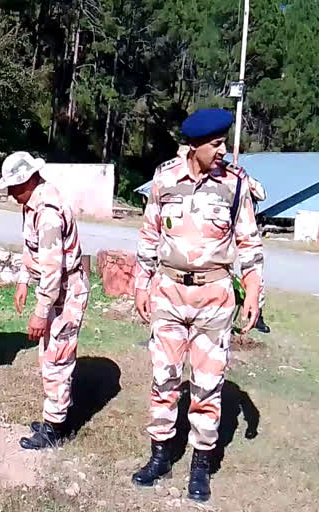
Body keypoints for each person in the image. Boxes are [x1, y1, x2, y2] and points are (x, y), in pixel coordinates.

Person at [132, 108, 264, 502]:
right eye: (216, 144)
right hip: (168, 293)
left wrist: (253, 292)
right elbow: (149, 234)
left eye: (224, 142)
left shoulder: (234, 184)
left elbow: (250, 243)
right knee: (164, 377)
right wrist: (141, 284)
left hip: (214, 298)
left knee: (207, 385)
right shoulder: (165, 178)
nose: (223, 150)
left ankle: (201, 464)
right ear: (194, 145)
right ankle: (160, 454)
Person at [0, 152, 89, 450]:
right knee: (50, 355)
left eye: (13, 186)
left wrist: (40, 312)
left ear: (29, 179)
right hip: (55, 289)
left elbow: (52, 270)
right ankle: (56, 415)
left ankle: (54, 429)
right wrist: (24, 280)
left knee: (56, 359)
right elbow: (33, 250)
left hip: (64, 291)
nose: (10, 193)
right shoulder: (33, 203)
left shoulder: (47, 212)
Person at [247, 176, 270, 334]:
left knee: (255, 274)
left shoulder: (240, 178)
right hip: (220, 233)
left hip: (246, 231)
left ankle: (256, 316)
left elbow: (261, 194)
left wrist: (244, 178)